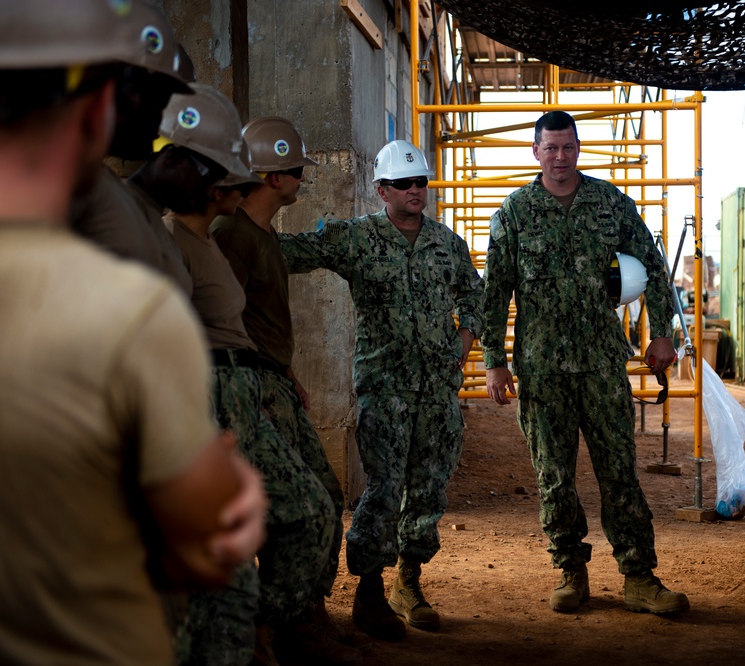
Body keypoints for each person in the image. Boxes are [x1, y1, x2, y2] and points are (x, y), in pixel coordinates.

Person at [0, 2, 267, 664]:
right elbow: (196, 542)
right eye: (156, 99)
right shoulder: (128, 316)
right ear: (98, 106)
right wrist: (231, 498)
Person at [481, 110, 689, 616]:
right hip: (541, 368)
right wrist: (494, 360)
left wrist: (662, 333)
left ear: (578, 149)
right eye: (549, 148)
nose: (559, 157)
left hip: (600, 364)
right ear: (535, 152)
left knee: (619, 471)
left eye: (567, 147)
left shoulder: (609, 203)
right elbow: (495, 292)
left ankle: (639, 576)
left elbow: (654, 264)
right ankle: (570, 572)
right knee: (554, 477)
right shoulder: (514, 211)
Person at [278, 139, 484, 639]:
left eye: (422, 183)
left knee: (429, 487)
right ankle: (369, 589)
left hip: (437, 389)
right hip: (385, 387)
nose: (416, 191)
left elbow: (476, 291)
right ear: (382, 190)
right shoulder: (357, 239)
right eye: (405, 184)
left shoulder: (445, 242)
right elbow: (292, 252)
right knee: (385, 488)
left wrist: (464, 338)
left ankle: (408, 582)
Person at [211, 117, 364, 664]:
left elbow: (257, 319)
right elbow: (219, 322)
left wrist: (290, 375)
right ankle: (266, 629)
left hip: (275, 380)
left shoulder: (261, 232)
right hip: (246, 387)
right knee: (299, 507)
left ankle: (305, 616)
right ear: (275, 176)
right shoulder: (230, 236)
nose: (303, 179)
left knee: (324, 496)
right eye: (298, 170)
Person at [70, 0, 195, 293]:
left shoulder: (98, 185)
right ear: (128, 96)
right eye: (162, 103)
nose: (161, 124)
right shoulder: (69, 188)